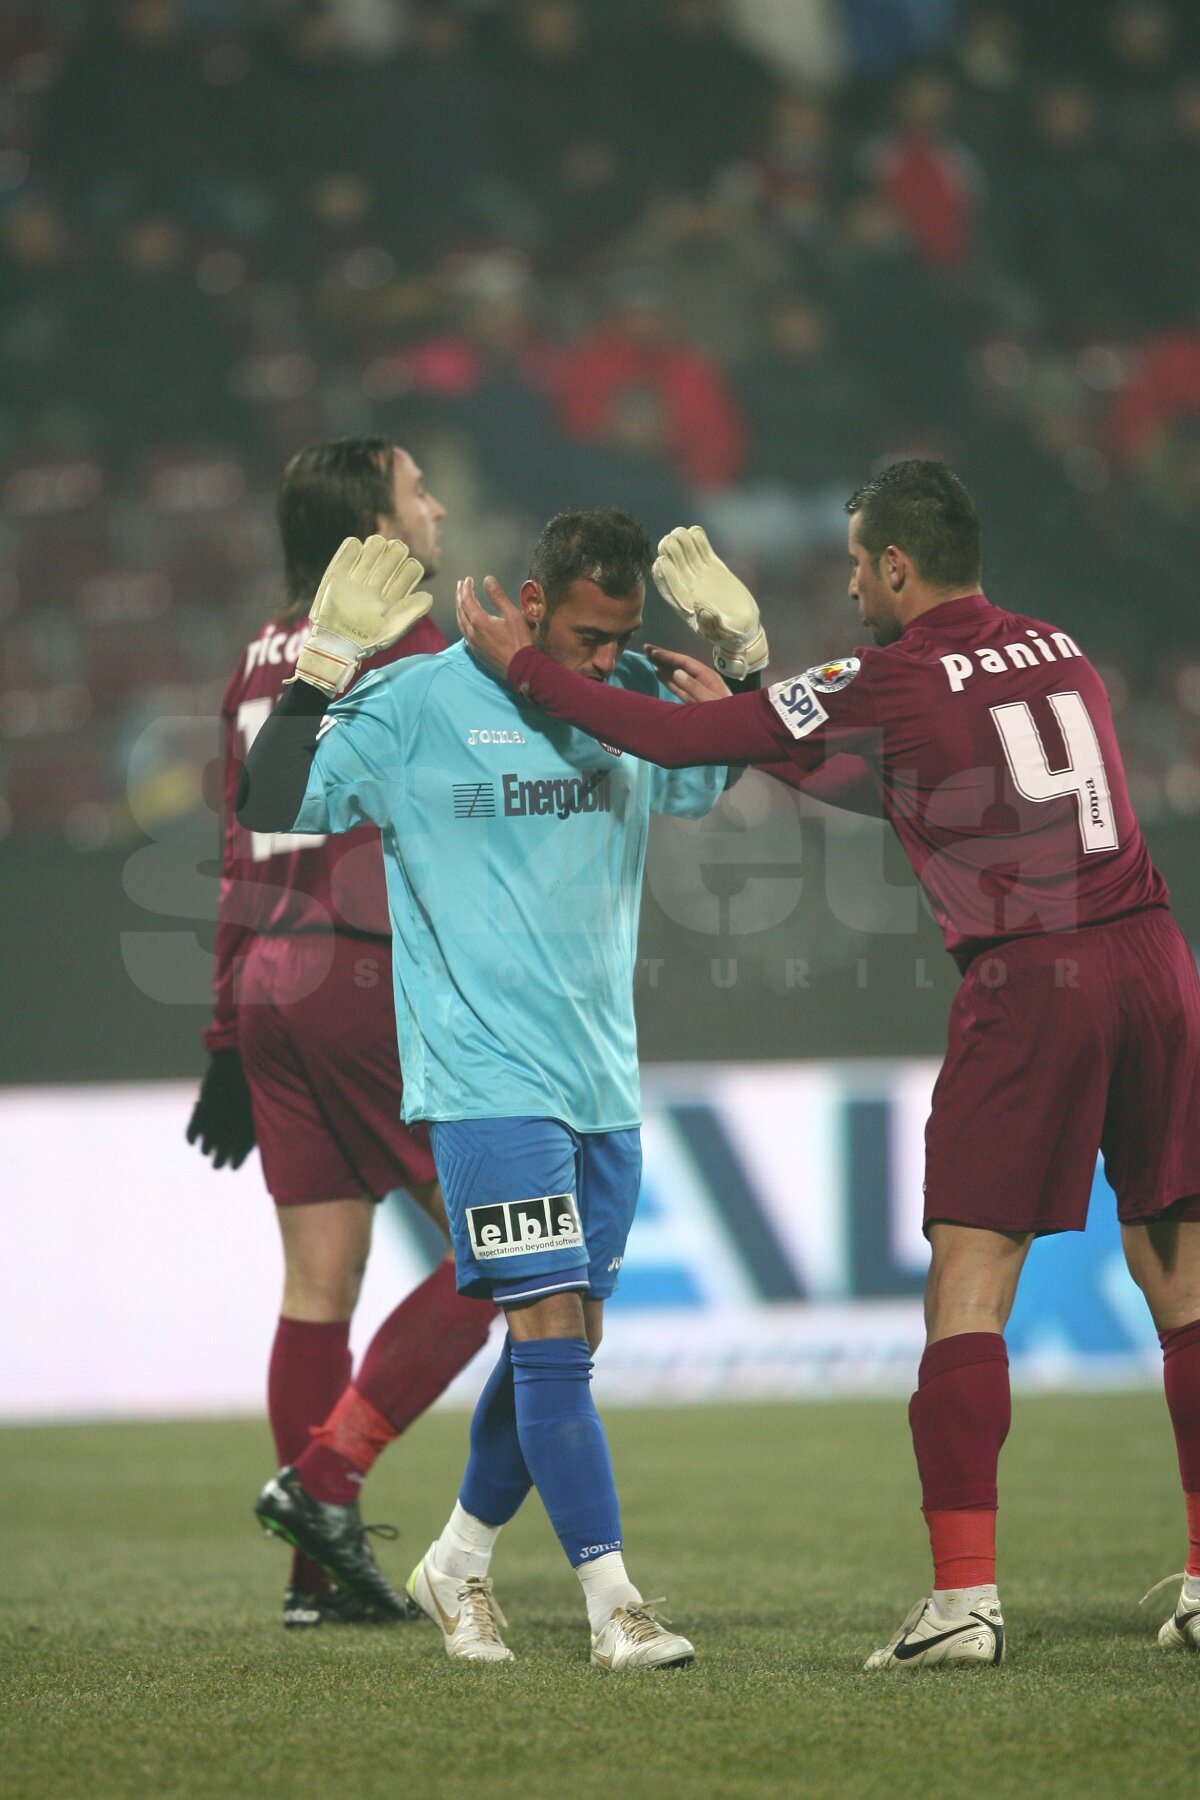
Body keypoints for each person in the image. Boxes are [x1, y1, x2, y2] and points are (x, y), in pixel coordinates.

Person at [457, 459, 1200, 1668]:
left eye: (859, 564)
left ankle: (963, 1601)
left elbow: (672, 733)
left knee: (967, 1287)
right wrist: (759, 706)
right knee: (1185, 1284)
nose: (852, 585)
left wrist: (525, 670)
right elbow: (910, 789)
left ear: (897, 565)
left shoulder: (893, 671)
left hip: (1033, 983)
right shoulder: (1059, 650)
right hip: (1158, 964)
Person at [238, 507, 746, 1668]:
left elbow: (716, 778)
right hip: (482, 1082)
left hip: (602, 1088)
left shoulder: (620, 714)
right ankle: (614, 1606)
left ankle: (456, 1562)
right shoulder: (419, 705)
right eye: (582, 634)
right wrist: (318, 674)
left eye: (619, 639)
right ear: (530, 603)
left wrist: (748, 672)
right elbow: (269, 806)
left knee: (556, 1347)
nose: (601, 661)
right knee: (552, 1336)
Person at [187, 437, 496, 1628]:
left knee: (319, 1281)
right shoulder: (407, 648)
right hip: (364, 971)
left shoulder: (261, 655)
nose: (438, 505)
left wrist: (225, 1032)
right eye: (421, 491)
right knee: (503, 1253)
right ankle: (323, 1485)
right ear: (374, 519)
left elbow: (235, 846)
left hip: (270, 979)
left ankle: (317, 1582)